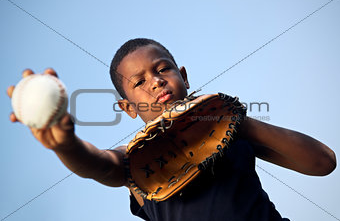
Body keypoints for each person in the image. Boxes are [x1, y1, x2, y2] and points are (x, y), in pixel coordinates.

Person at [7, 38, 336, 221]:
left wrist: (240, 121)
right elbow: (101, 164)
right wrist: (67, 146)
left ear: (183, 76)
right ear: (128, 107)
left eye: (162, 68)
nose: (156, 81)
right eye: (139, 82)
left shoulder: (228, 127)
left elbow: (322, 162)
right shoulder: (136, 158)